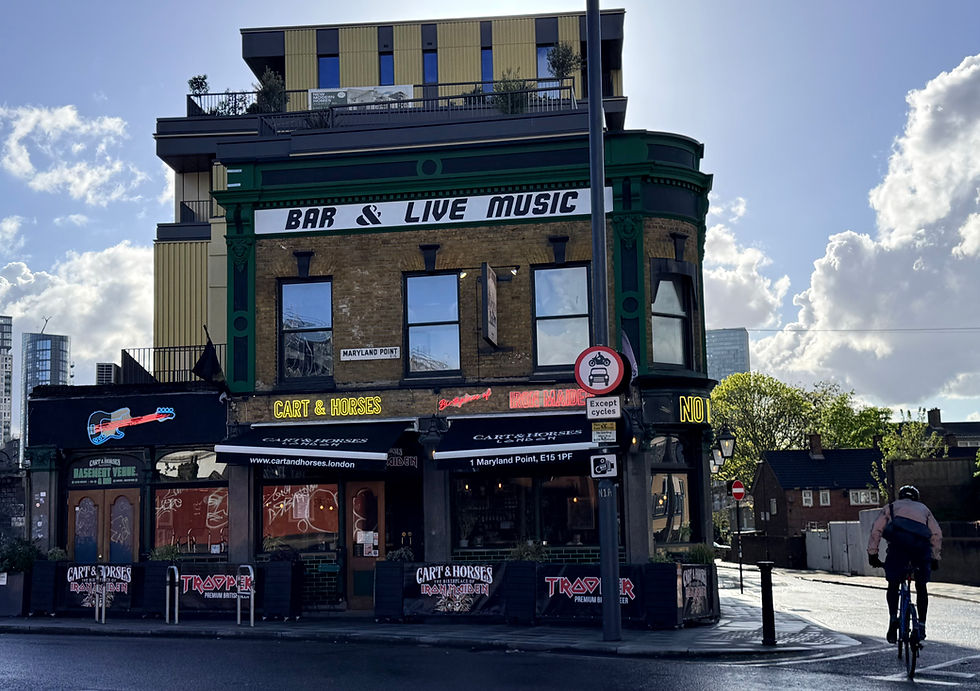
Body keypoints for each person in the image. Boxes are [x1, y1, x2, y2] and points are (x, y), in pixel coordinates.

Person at [867, 485, 942, 643]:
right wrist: (934, 557)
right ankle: (921, 624)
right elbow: (936, 533)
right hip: (920, 551)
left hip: (898, 550)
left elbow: (876, 530)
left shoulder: (891, 507)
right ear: (917, 497)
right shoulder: (924, 509)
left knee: (893, 584)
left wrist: (873, 555)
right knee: (921, 586)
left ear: (900, 496)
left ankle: (893, 618)